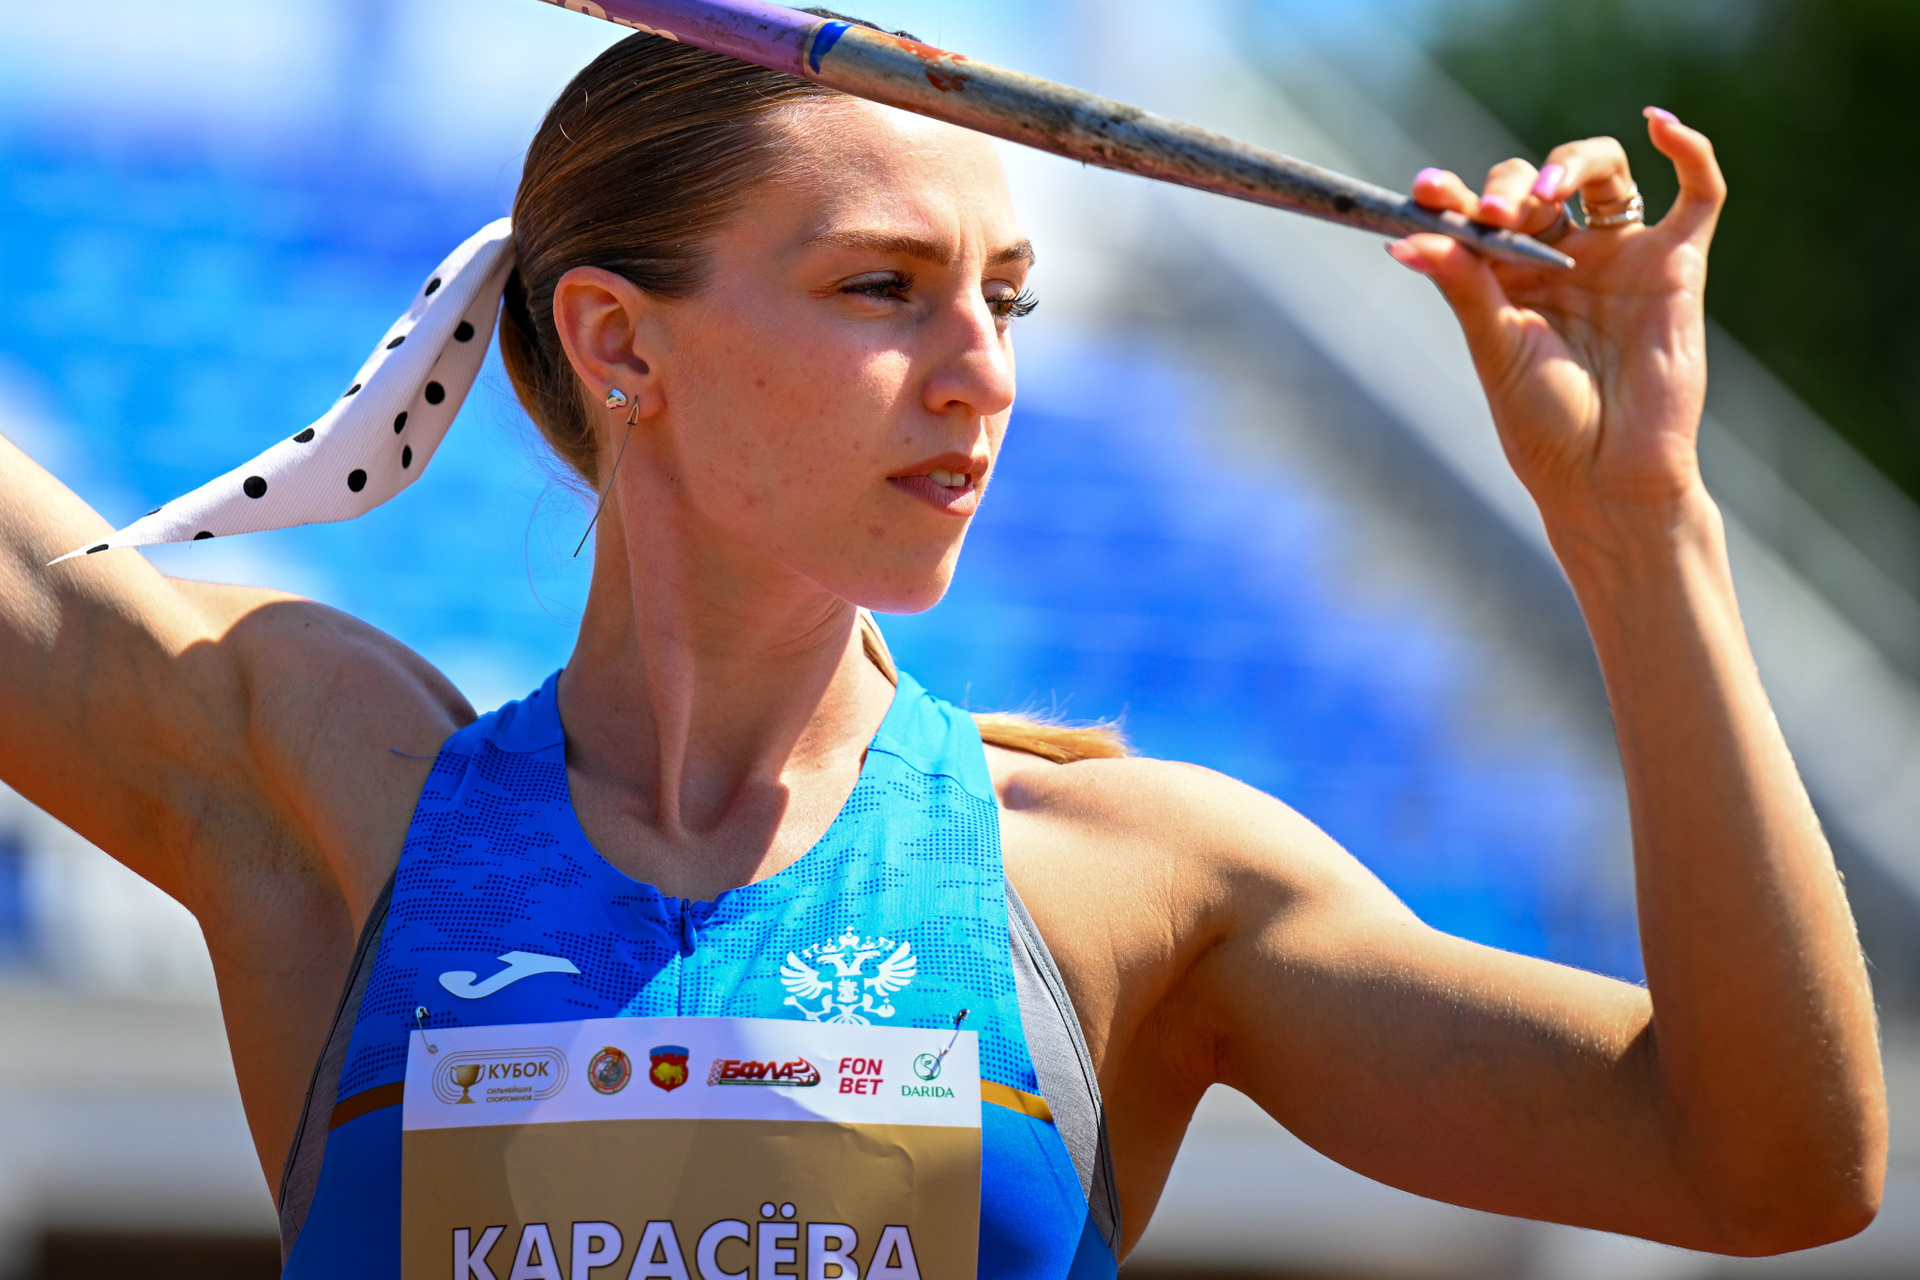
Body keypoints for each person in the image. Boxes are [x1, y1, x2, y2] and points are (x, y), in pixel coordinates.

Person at [0, 19, 1884, 1280]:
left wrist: (1641, 524)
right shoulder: (341, 785)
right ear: (620, 343)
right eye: (883, 288)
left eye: (1009, 298)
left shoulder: (1125, 879)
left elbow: (1770, 1167)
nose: (983, 373)